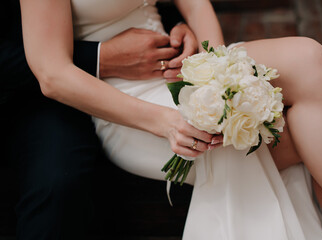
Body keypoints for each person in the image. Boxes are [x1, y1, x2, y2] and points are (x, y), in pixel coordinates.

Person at [19, 0, 322, 239]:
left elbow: (196, 5)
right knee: (315, 132)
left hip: (187, 71)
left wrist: (220, 72)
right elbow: (52, 74)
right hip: (127, 104)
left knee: (310, 57)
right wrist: (164, 121)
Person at [1, 1, 200, 239]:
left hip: (111, 78)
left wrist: (174, 25)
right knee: (59, 182)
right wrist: (101, 56)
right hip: (22, 92)